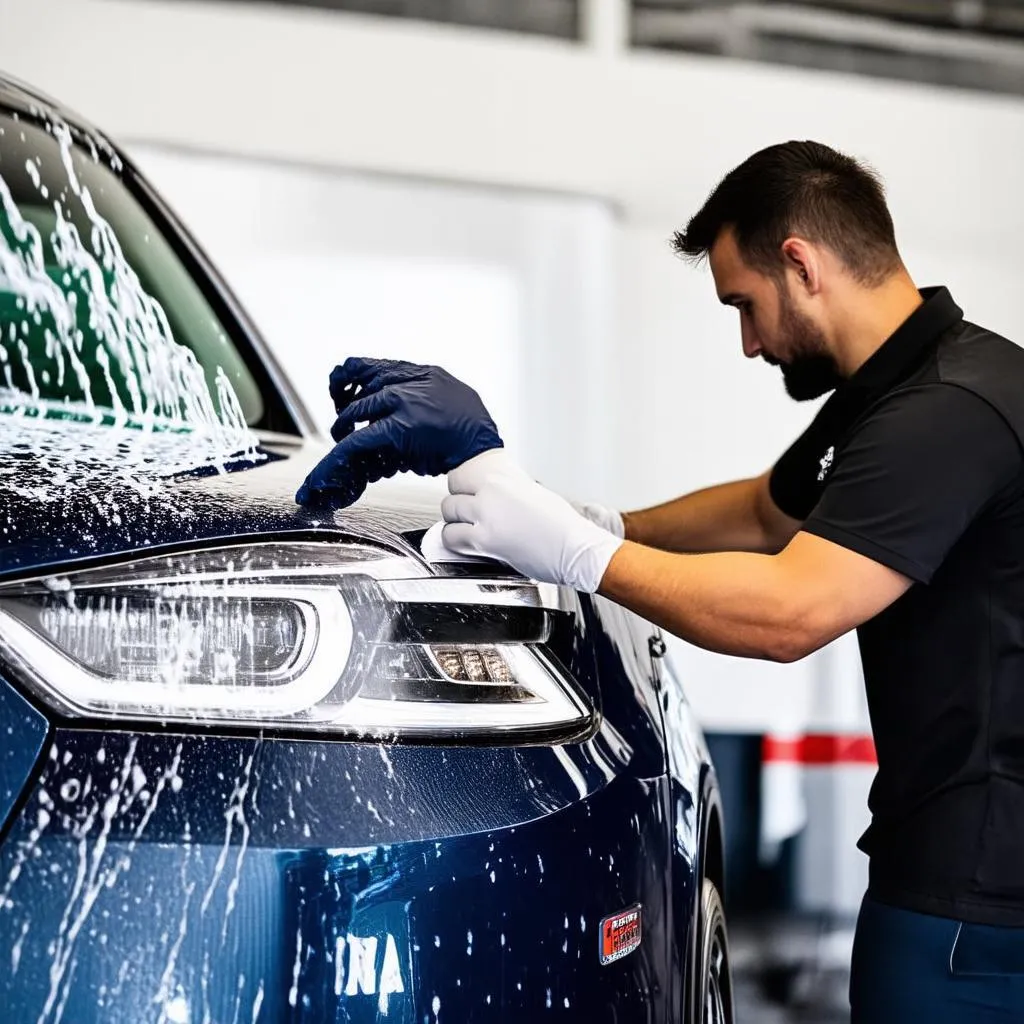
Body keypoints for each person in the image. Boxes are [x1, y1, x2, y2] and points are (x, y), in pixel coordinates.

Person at [296, 141, 1024, 1021]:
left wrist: (576, 555)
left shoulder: (946, 413)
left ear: (800, 263)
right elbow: (765, 512)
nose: (750, 343)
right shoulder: (897, 392)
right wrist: (599, 523)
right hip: (955, 881)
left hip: (973, 908)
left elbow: (792, 614)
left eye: (745, 306)